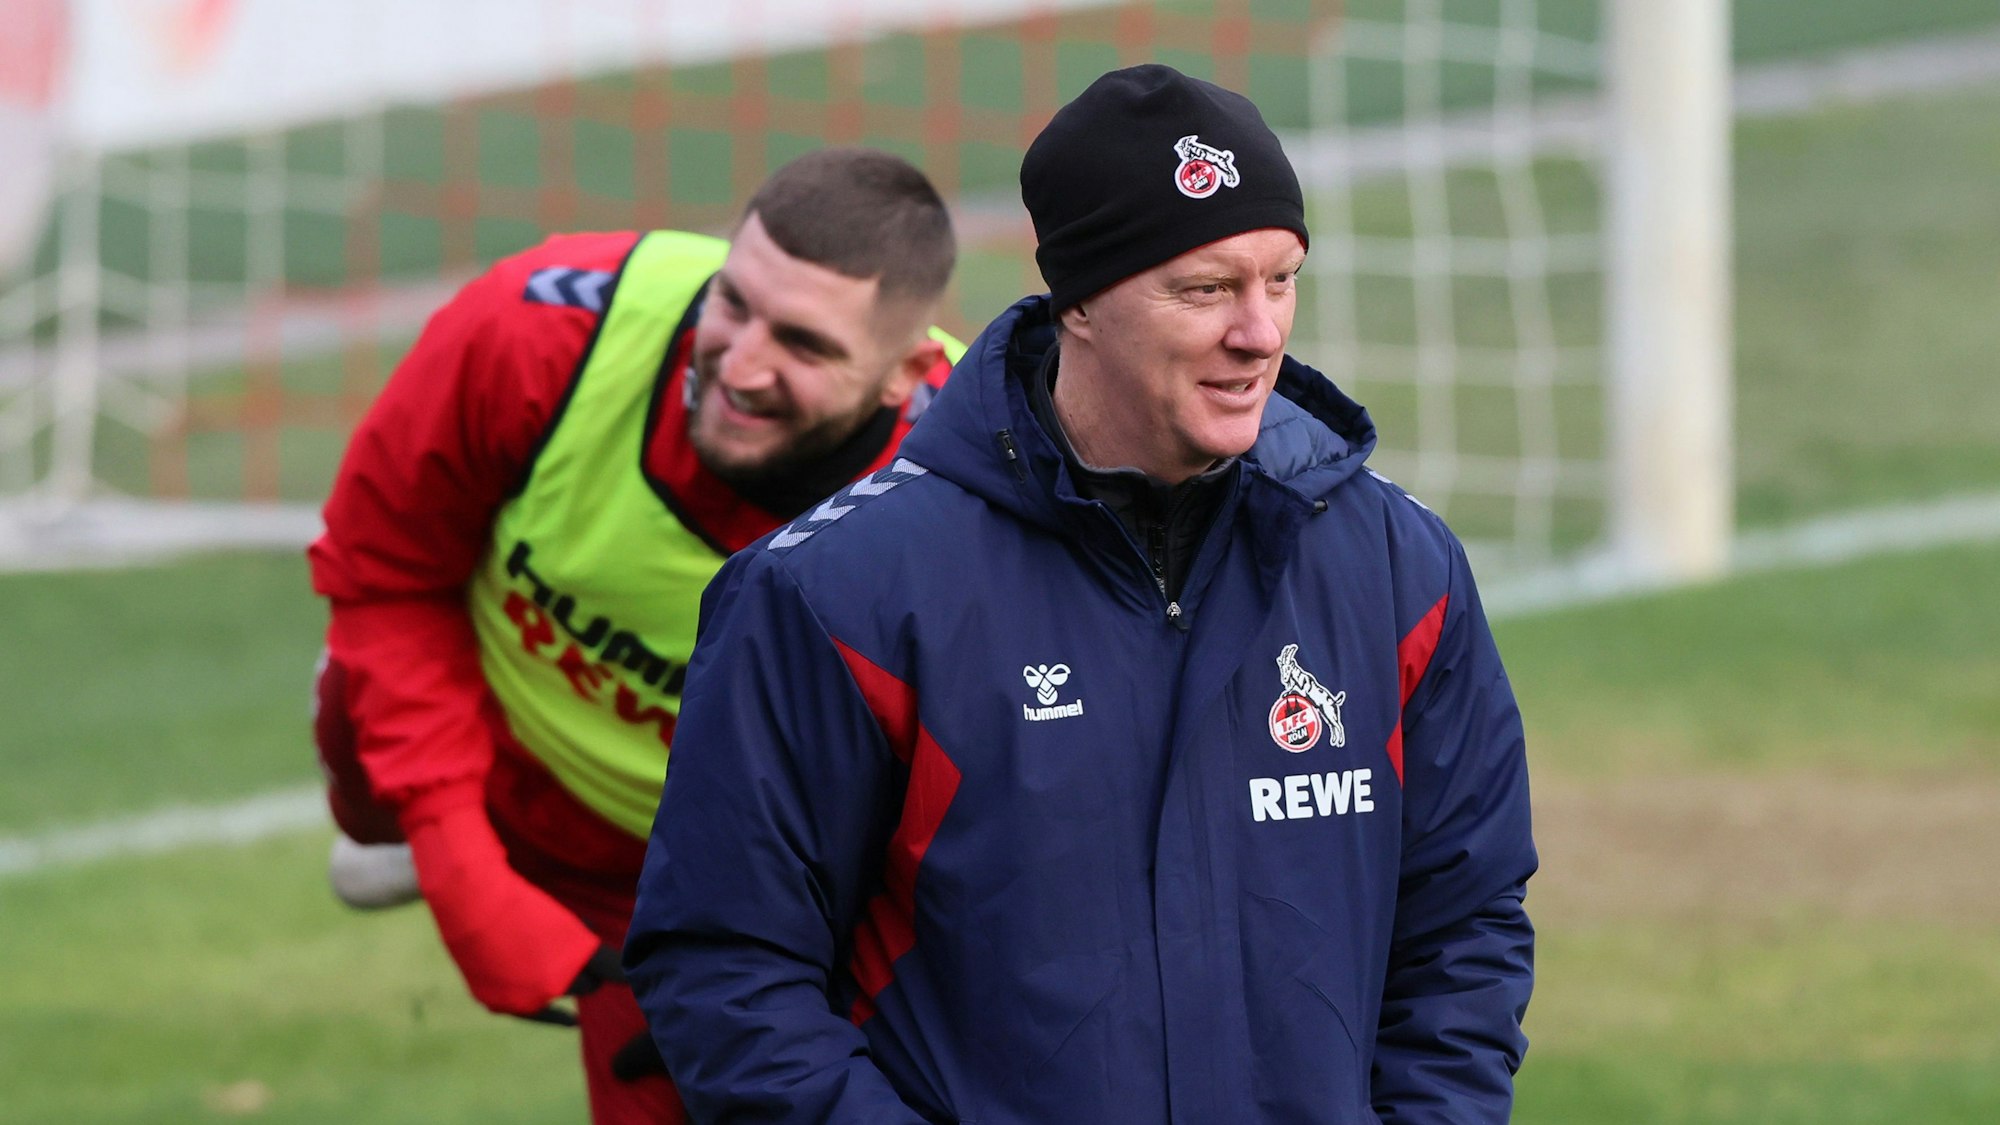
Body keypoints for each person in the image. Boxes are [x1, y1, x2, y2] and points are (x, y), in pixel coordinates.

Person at [624, 64, 1537, 1123]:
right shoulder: (836, 598)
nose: (1258, 332)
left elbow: (1463, 922)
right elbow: (726, 968)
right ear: (1082, 303)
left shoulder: (1396, 569)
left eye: (1278, 279)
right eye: (1204, 290)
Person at [307, 147, 959, 1125]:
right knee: (358, 698)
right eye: (730, 302)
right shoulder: (539, 324)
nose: (737, 365)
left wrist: (781, 967)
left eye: (802, 345)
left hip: (708, 864)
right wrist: (456, 859)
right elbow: (382, 571)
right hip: (498, 739)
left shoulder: (963, 482)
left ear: (901, 376)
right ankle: (409, 817)